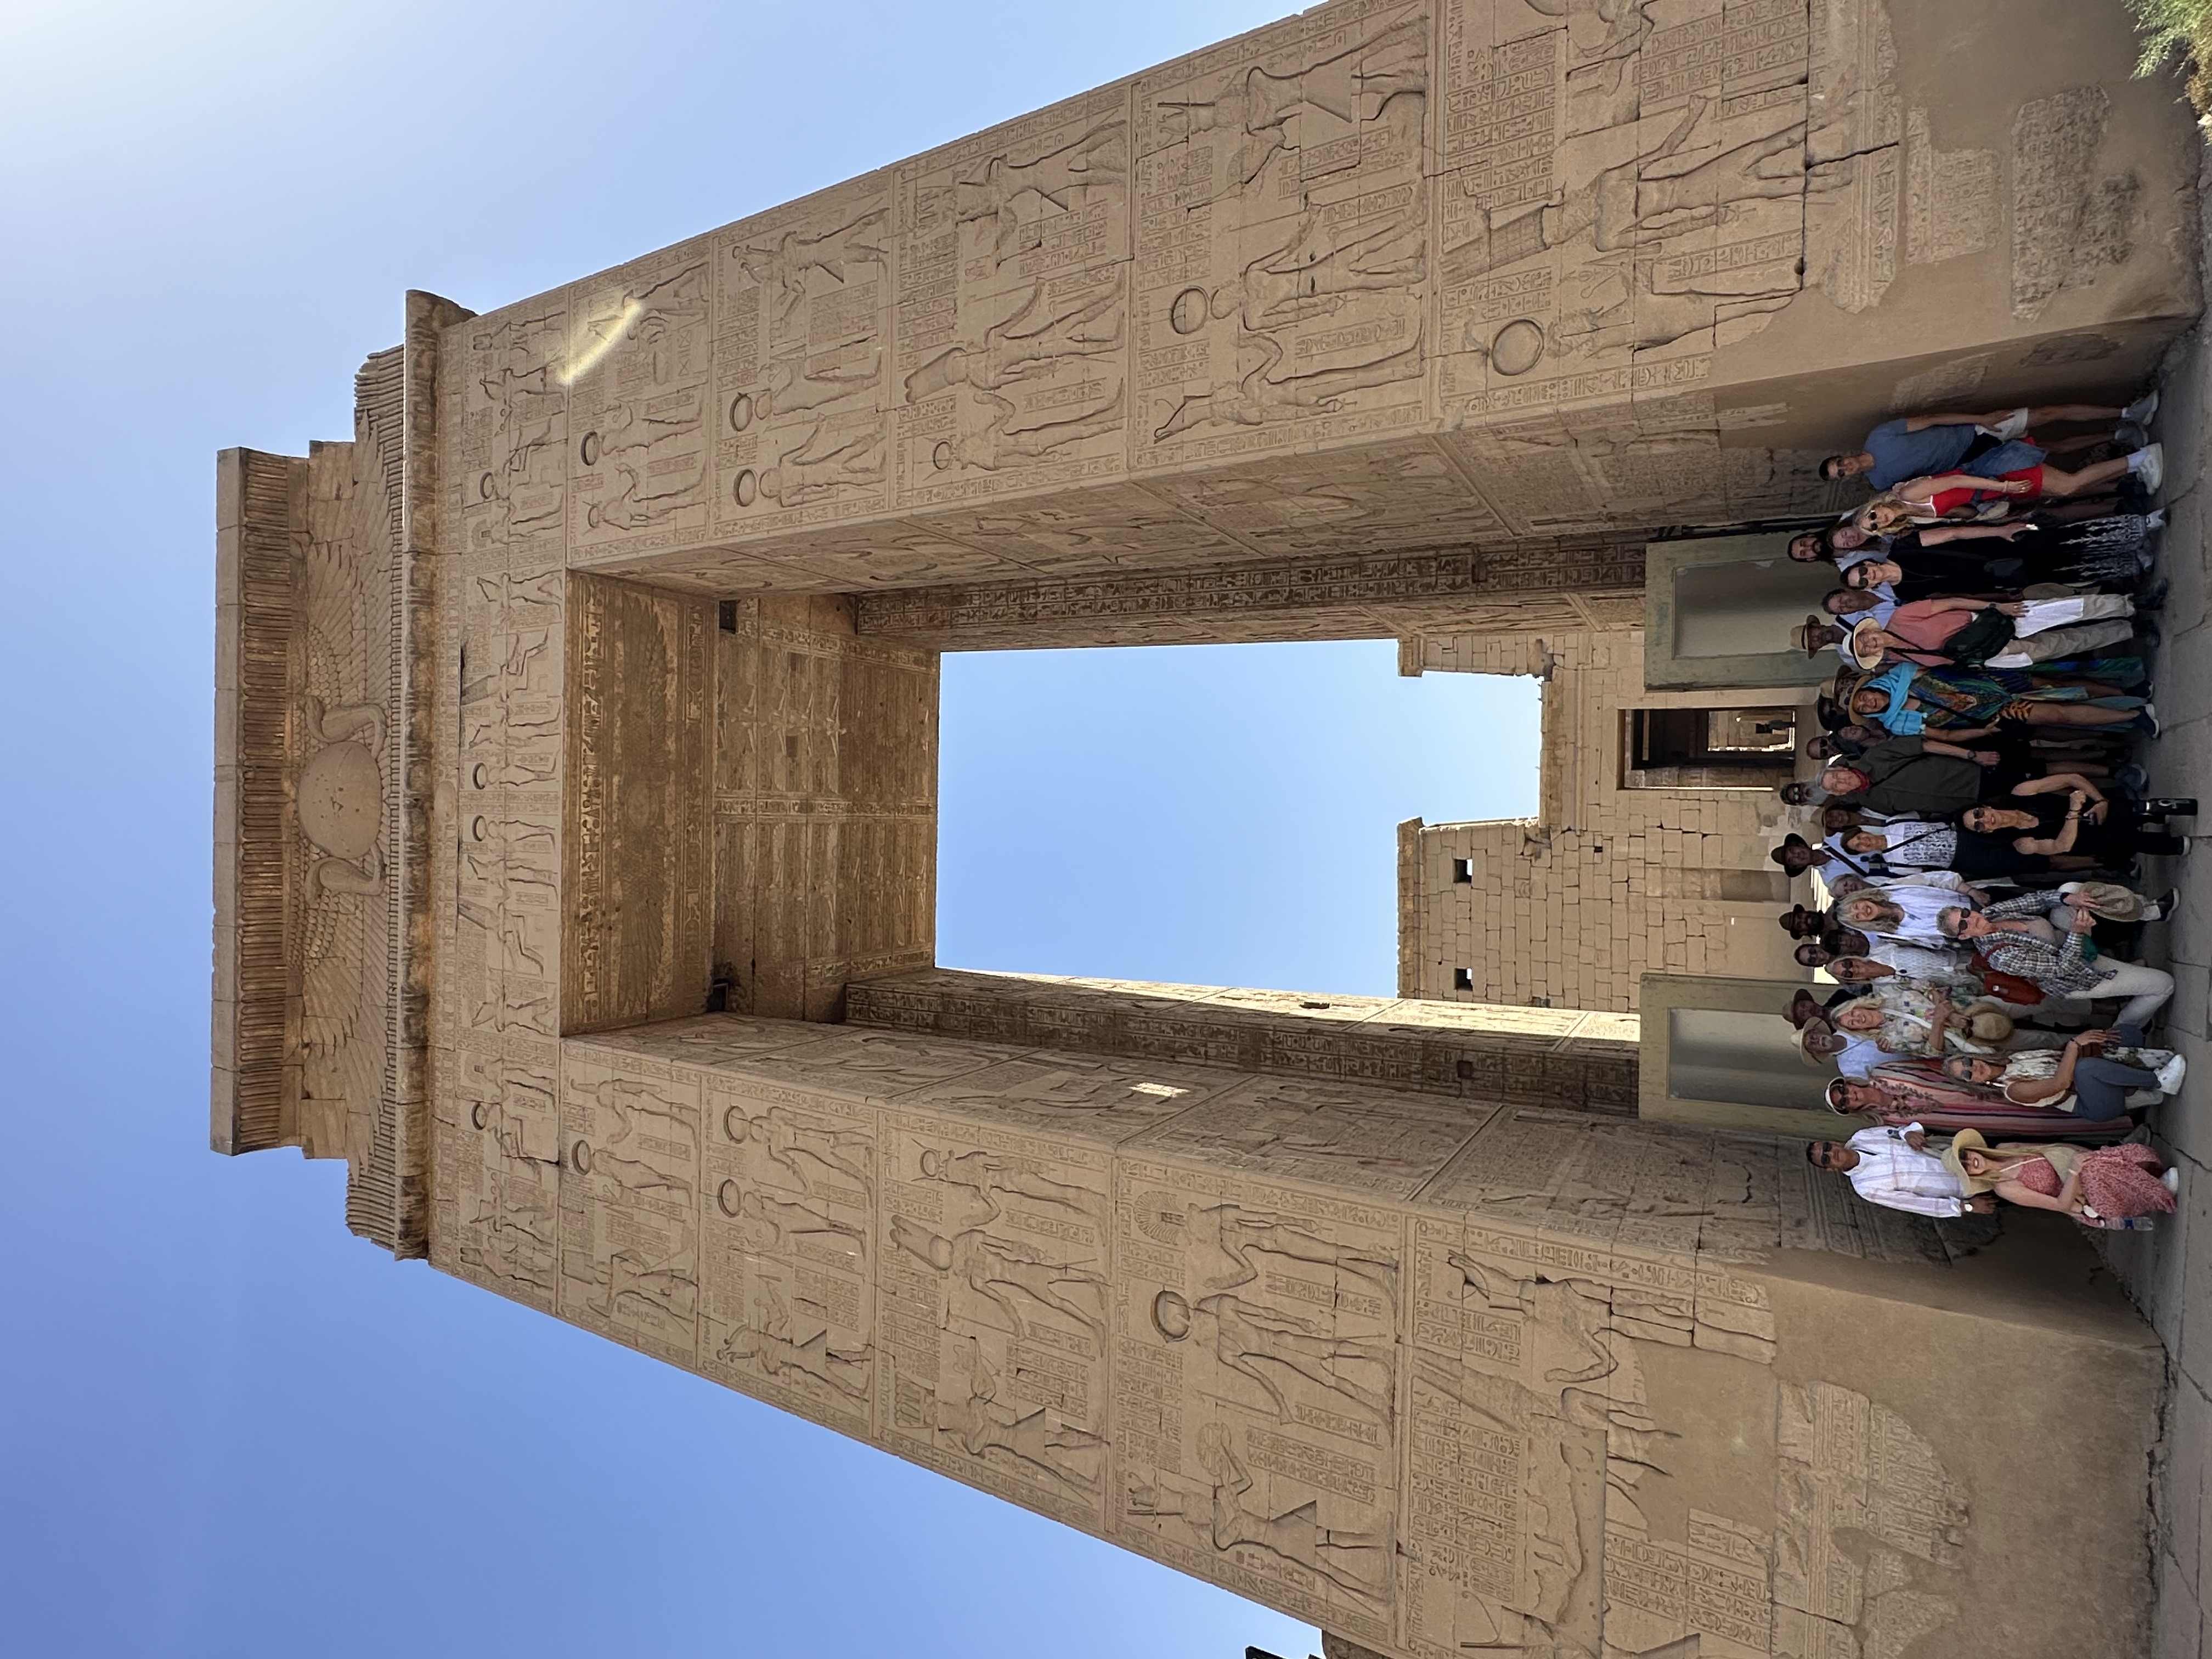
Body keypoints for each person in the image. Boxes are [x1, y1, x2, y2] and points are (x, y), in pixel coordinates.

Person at [1820, 397, 2154, 489]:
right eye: (1841, 474)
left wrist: (1979, 418)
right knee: (2055, 450)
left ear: (1843, 456)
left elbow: (1933, 419)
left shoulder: (1880, 436)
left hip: (1976, 431)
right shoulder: (1880, 482)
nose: (1845, 468)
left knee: (2048, 413)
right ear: (1846, 479)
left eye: (1840, 464)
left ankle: (2127, 411)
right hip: (1975, 460)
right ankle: (2118, 435)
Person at [1941, 896, 2175, 1026]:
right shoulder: (2001, 957)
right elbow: (2064, 967)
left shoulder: (1991, 913)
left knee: (2074, 891)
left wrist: (2068, 898)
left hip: (2070, 940)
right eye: (1963, 925)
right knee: (2163, 984)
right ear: (1964, 936)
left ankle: (2150, 910)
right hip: (2078, 975)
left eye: (1965, 913)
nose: (1970, 919)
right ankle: (2128, 1026)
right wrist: (2077, 932)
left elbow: (2038, 900)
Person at [1857, 445, 2164, 530]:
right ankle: (2134, 467)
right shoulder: (1911, 515)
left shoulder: (1907, 495)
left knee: (2069, 485)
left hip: (1997, 475)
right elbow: (1960, 505)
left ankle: (2140, 458)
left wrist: (2002, 485)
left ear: (1875, 505)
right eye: (1873, 525)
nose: (1877, 519)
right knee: (2063, 490)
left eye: (1872, 514)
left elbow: (1956, 481)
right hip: (1993, 489)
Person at [1940, 1128, 2178, 1227]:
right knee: (2094, 1171)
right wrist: (2075, 1172)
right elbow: (2061, 1206)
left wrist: (2087, 1156)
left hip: (2084, 1169)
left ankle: (2151, 1180)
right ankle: (2157, 1192)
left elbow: (2055, 1147)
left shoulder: (2008, 1147)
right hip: (2084, 1201)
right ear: (1972, 1175)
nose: (1970, 1162)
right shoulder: (2006, 1188)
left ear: (1972, 1150)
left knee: (2099, 1162)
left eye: (1965, 1156)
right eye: (1966, 1168)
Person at [1842, 597, 2141, 674]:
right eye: (1865, 650)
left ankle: (2129, 605)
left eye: (1864, 640)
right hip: (1990, 654)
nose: (1869, 644)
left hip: (1987, 622)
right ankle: (2127, 630)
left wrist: (1996, 606)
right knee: (2061, 645)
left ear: (1871, 631)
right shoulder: (1900, 658)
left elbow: (1951, 602)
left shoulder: (1901, 616)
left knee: (2065, 610)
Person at [1942, 1025, 2183, 1120]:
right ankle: (2158, 1081)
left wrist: (2090, 1042)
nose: (1972, 1068)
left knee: (2123, 1034)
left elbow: (2059, 1057)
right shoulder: (2012, 1090)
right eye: (1967, 1075)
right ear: (1974, 1083)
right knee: (2085, 1068)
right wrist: (2074, 1045)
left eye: (1967, 1062)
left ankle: (2149, 1074)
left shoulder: (2011, 1059)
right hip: (2092, 1104)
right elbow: (2061, 1082)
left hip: (2091, 1077)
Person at [1959, 780, 2193, 864]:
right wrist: (2073, 811)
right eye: (1979, 826)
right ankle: (2167, 842)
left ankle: (2152, 813)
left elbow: (2072, 778)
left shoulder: (2022, 791)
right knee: (2125, 840)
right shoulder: (2022, 844)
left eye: (1979, 814)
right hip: (2084, 838)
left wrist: (2100, 800)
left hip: (2093, 810)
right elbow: (2062, 846)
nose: (1984, 820)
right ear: (1986, 833)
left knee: (2128, 809)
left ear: (1986, 807)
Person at [1807, 1125, 1991, 1217]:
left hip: (1964, 1154)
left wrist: (1908, 1133)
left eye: (1827, 1147)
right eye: (1826, 1158)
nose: (1831, 1153)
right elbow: (1916, 1205)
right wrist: (1967, 1206)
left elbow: (1899, 1131)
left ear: (1834, 1142)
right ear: (1830, 1169)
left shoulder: (1863, 1136)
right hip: (1966, 1186)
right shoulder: (1866, 1188)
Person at [1803, 735, 1996, 820]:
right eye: (1836, 786)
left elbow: (1925, 746)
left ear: (1842, 769)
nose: (1841, 782)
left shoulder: (1875, 756)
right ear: (1841, 793)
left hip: (1973, 772)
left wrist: (1972, 755)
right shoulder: (1869, 803)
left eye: (1837, 776)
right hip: (1974, 805)